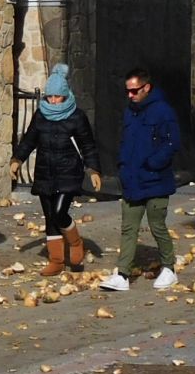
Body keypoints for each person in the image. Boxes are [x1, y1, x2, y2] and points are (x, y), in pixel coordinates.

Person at [9, 62, 101, 277]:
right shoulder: (41, 115)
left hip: (69, 171)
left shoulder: (77, 116)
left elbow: (87, 144)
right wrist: (17, 159)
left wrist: (94, 169)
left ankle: (76, 242)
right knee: (50, 217)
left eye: (57, 97)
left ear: (65, 95)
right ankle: (56, 261)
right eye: (49, 97)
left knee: (60, 213)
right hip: (45, 171)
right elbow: (29, 139)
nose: (53, 101)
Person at [105, 66, 180, 292]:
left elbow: (172, 143)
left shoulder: (163, 111)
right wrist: (123, 166)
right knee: (129, 228)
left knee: (157, 225)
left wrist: (153, 164)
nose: (130, 95)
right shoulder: (130, 111)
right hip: (132, 179)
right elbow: (126, 142)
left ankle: (169, 267)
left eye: (134, 91)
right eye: (127, 91)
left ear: (146, 87)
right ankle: (122, 274)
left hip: (156, 180)